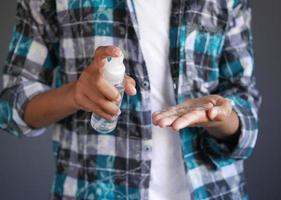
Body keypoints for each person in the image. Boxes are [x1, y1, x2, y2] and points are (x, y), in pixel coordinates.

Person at [0, 0, 261, 199]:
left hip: (216, 189)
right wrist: (75, 95)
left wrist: (220, 117)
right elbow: (11, 102)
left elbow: (243, 97)